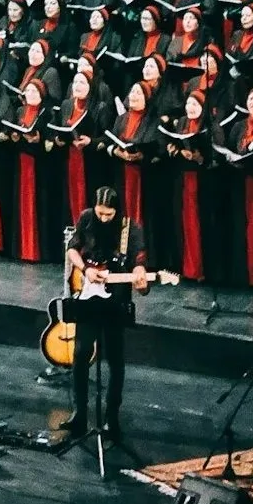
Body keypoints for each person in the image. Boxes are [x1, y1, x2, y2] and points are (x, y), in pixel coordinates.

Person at [60, 185, 152, 437]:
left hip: (115, 302)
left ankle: (112, 417)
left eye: (108, 215)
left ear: (117, 211)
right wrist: (85, 269)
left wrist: (140, 272)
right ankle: (79, 413)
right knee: (80, 355)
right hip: (88, 298)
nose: (103, 218)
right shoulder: (86, 218)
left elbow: (140, 258)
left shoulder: (130, 228)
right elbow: (72, 248)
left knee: (115, 360)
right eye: (100, 213)